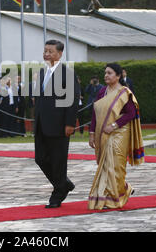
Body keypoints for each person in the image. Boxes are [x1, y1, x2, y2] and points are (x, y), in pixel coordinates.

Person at [88, 63, 144, 210]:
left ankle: (114, 199)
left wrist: (113, 126)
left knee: (115, 166)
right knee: (105, 166)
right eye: (105, 73)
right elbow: (95, 113)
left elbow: (131, 113)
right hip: (102, 133)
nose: (106, 75)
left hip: (119, 133)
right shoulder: (102, 92)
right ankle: (122, 190)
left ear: (118, 76)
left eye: (110, 73)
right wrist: (92, 133)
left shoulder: (124, 92)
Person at [33, 40, 80, 208]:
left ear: (59, 54)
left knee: (58, 160)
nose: (46, 54)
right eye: (45, 51)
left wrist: (69, 123)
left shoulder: (67, 73)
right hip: (41, 125)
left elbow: (72, 100)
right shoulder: (41, 72)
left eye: (50, 51)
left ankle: (58, 193)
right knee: (40, 159)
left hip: (59, 125)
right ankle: (64, 184)